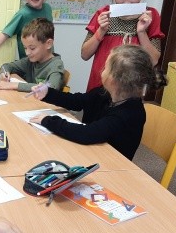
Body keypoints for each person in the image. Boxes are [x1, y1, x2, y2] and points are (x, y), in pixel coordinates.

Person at [30, 44, 160, 160]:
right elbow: (77, 101)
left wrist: (48, 121)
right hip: (90, 152)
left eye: (105, 67)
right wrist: (48, 93)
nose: (102, 70)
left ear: (112, 80)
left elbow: (87, 133)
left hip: (110, 164)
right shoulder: (104, 93)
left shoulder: (129, 114)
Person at [81, 0, 164, 92]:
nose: (127, 3)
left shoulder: (151, 16)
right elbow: (85, 54)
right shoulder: (103, 14)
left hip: (131, 90)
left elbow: (153, 60)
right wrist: (100, 31)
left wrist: (142, 32)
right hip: (99, 86)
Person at [0, 17, 65, 93]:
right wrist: (4, 73)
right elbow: (6, 66)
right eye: (25, 48)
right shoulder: (30, 61)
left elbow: (51, 88)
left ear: (48, 44)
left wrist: (15, 85)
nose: (27, 53)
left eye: (32, 48)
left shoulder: (56, 65)